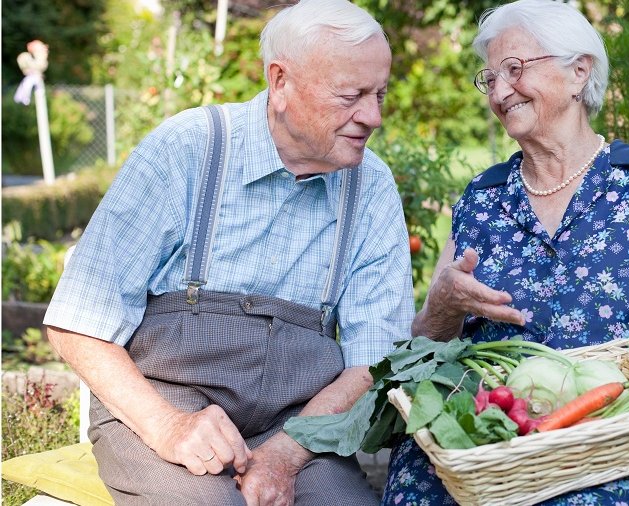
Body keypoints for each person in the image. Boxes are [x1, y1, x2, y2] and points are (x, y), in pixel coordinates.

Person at [43, 1, 414, 504]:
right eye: (351, 96)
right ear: (280, 82)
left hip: (298, 430)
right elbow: (77, 323)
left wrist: (285, 454)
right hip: (161, 409)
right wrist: (170, 429)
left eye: (380, 95)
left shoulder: (371, 187)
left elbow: (374, 361)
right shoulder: (188, 149)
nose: (372, 116)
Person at [381, 1, 629, 504]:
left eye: (513, 70)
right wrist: (442, 305)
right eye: (489, 78)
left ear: (579, 71)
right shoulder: (482, 199)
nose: (499, 91)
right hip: (498, 447)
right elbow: (426, 342)